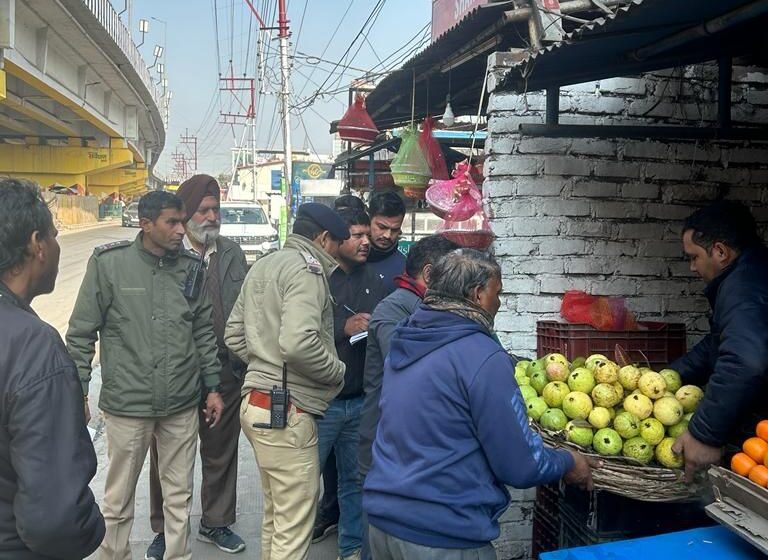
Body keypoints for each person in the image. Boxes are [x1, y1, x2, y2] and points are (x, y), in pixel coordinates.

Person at [363, 249, 595, 559]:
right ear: (477, 295)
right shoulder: (482, 356)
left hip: (382, 524)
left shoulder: (407, 337)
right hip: (442, 535)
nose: (499, 303)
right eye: (497, 293)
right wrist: (569, 461)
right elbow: (520, 465)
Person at [67, 191, 224, 560]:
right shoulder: (109, 265)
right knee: (118, 499)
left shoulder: (192, 268)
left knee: (179, 498)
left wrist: (213, 387)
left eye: (182, 221)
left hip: (181, 404)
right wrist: (80, 392)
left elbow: (203, 331)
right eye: (171, 222)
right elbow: (81, 333)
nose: (180, 230)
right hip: (127, 406)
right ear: (146, 224)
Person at [225, 202, 348, 560]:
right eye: (338, 243)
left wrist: (264, 363)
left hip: (258, 406)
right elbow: (298, 344)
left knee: (277, 518)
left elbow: (234, 335)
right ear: (323, 238)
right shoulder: (307, 271)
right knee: (293, 531)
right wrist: (337, 372)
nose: (339, 252)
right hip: (287, 412)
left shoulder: (265, 264)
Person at [0, 179, 104, 560]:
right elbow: (54, 520)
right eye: (55, 235)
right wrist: (91, 524)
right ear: (36, 244)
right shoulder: (33, 347)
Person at [145, 175, 248, 559]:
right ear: (185, 215)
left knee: (221, 451)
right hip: (177, 374)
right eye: (203, 210)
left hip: (225, 372)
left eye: (216, 210)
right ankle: (164, 529)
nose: (211, 217)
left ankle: (216, 522)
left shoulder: (232, 252)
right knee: (168, 458)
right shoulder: (166, 255)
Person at [357, 234, 459, 559]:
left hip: (413, 446)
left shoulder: (431, 309)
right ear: (429, 275)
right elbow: (402, 359)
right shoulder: (392, 309)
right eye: (453, 276)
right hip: (382, 444)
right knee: (377, 539)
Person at [671, 200, 768, 482]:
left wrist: (704, 434)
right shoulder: (751, 274)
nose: (691, 267)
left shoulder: (743, 287)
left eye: (693, 256)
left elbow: (744, 361)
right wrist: (667, 376)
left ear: (720, 252)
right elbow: (718, 344)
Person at [315, 208, 387, 560]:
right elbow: (298, 335)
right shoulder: (317, 278)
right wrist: (342, 329)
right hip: (322, 402)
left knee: (355, 482)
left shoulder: (373, 276)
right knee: (300, 483)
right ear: (336, 239)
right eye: (356, 235)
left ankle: (352, 549)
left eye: (365, 234)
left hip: (360, 400)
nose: (365, 241)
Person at [366, 192, 406, 293]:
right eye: (382, 227)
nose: (387, 235)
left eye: (395, 230)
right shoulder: (348, 259)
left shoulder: (405, 269)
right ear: (368, 220)